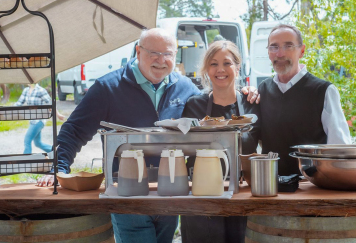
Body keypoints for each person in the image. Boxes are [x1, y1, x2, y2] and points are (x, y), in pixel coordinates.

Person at [37, 28, 259, 243]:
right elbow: (74, 130)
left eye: (168, 54)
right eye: (154, 53)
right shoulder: (108, 87)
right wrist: (58, 167)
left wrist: (246, 93)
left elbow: (213, 106)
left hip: (171, 193)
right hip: (128, 195)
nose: (161, 60)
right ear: (138, 52)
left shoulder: (185, 88)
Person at [180, 41, 260, 243]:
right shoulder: (194, 105)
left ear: (238, 66)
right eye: (214, 64)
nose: (220, 70)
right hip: (200, 197)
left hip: (242, 197)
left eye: (227, 63)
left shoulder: (252, 104)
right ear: (207, 69)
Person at [258, 24, 351, 176]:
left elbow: (340, 148)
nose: (280, 53)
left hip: (312, 187)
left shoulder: (323, 91)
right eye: (274, 47)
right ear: (268, 52)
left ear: (302, 51)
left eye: (288, 46)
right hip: (270, 185)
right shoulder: (262, 90)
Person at [14, 83, 65, 154]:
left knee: (27, 140)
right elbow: (19, 103)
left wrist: (58, 114)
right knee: (38, 143)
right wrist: (6, 111)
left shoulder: (40, 90)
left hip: (39, 121)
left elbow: (51, 103)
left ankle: (26, 160)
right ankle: (57, 153)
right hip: (32, 120)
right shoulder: (26, 90)